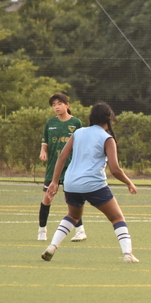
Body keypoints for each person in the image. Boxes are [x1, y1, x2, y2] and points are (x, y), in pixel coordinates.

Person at [41, 102, 139, 263]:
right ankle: (127, 254)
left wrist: (54, 182)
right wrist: (129, 183)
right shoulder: (107, 138)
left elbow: (62, 157)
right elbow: (115, 169)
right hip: (94, 185)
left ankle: (52, 246)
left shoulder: (78, 132)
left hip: (71, 183)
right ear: (109, 118)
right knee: (117, 218)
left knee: (72, 216)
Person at [38, 93, 86, 242]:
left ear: (67, 105)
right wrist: (43, 151)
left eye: (59, 103)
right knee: (47, 197)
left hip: (71, 167)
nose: (56, 107)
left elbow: (82, 143)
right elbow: (45, 142)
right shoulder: (50, 123)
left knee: (70, 199)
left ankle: (80, 231)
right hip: (53, 166)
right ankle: (42, 231)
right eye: (53, 105)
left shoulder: (76, 123)